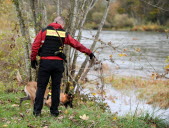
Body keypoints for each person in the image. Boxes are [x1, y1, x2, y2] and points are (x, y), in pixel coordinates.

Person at [30, 16, 95, 117]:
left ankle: (37, 112)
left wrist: (33, 59)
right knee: (56, 88)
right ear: (61, 24)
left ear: (53, 22)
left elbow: (35, 46)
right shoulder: (64, 33)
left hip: (45, 63)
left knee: (41, 87)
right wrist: (89, 53)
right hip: (58, 65)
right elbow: (76, 44)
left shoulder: (44, 31)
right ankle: (54, 112)